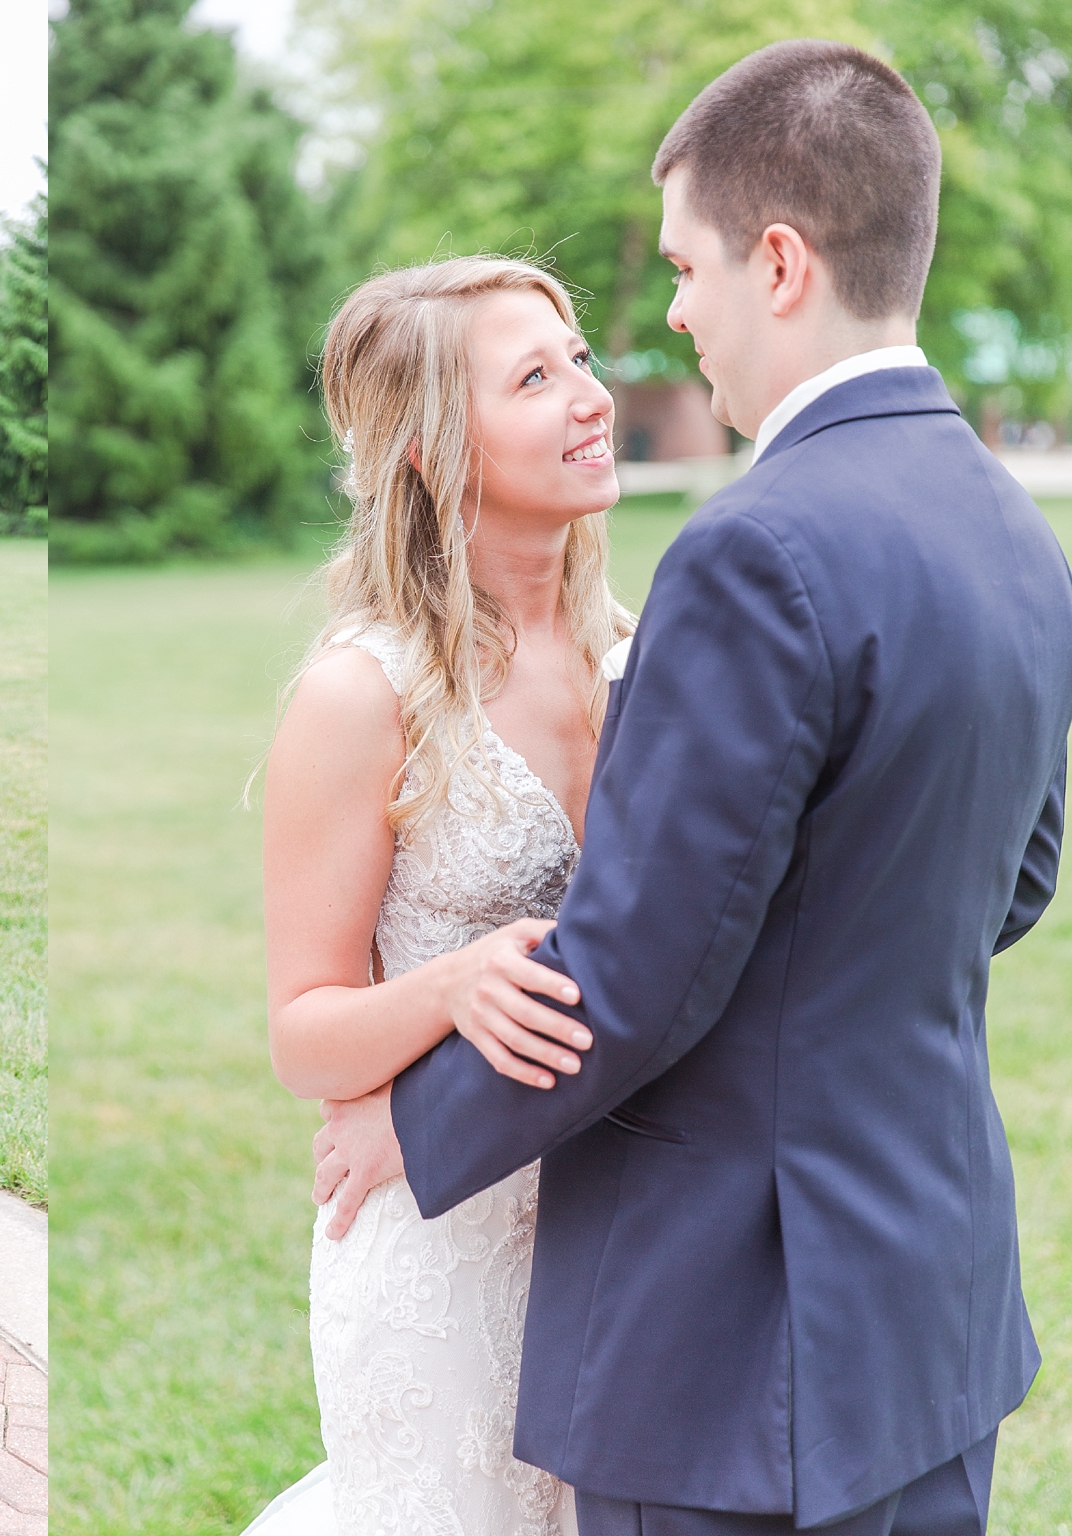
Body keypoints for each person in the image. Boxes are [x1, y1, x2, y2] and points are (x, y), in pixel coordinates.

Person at [321, 40, 1072, 1536]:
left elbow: (646, 965)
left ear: (778, 262)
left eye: (684, 265)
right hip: (926, 1299)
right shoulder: (1009, 519)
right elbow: (1021, 871)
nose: (669, 313)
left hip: (734, 1340)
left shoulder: (754, 552)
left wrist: (417, 1128)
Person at [251, 253, 629, 1534]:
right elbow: (303, 1030)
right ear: (429, 447)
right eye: (534, 377)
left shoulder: (636, 653)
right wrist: (453, 984)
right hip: (438, 1248)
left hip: (623, 1230)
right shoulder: (364, 696)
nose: (590, 396)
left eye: (575, 359)